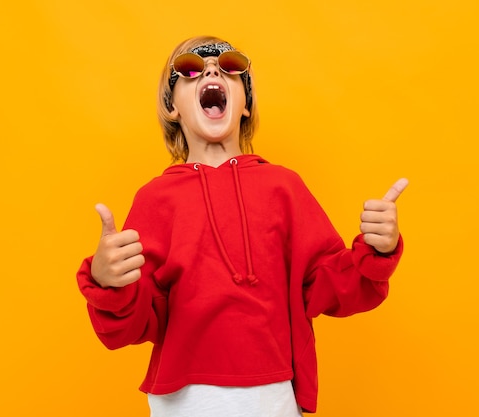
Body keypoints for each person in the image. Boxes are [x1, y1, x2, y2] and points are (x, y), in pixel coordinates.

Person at [77, 35, 408, 416]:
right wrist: (107, 281)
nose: (212, 70)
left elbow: (329, 285)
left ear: (245, 103)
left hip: (275, 397)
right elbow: (130, 326)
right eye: (189, 70)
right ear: (171, 106)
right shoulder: (155, 199)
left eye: (231, 67)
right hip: (185, 402)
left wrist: (376, 250)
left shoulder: (284, 187)